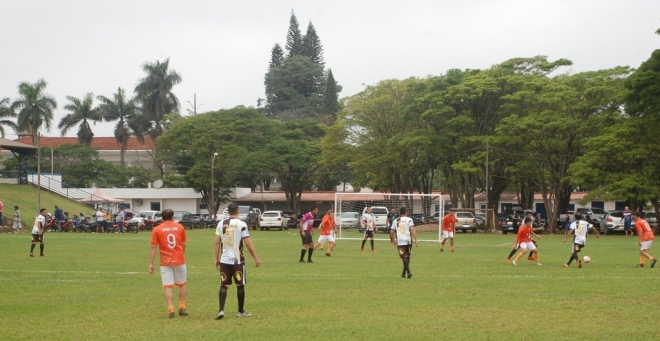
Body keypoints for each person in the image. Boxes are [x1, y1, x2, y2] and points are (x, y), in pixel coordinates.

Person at [214, 203, 261, 319]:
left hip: (224, 260)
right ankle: (240, 311)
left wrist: (216, 258)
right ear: (238, 211)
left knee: (224, 285)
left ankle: (221, 310)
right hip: (237, 261)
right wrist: (255, 257)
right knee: (240, 285)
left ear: (228, 212)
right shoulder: (242, 224)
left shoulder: (220, 224)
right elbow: (248, 243)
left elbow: (216, 242)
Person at [149, 209, 188, 318]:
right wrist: (181, 255)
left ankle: (171, 310)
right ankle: (182, 307)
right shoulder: (180, 227)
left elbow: (153, 247)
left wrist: (151, 263)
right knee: (182, 284)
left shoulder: (157, 229)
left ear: (162, 217)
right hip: (179, 260)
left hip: (165, 261)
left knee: (168, 286)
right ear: (172, 216)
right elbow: (184, 244)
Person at [390, 207, 418, 278]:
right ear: (406, 213)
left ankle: (408, 272)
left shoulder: (396, 220)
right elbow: (412, 229)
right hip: (408, 240)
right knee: (407, 256)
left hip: (401, 241)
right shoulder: (409, 219)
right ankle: (403, 273)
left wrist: (393, 241)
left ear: (399, 213)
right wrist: (416, 240)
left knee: (404, 257)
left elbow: (392, 231)